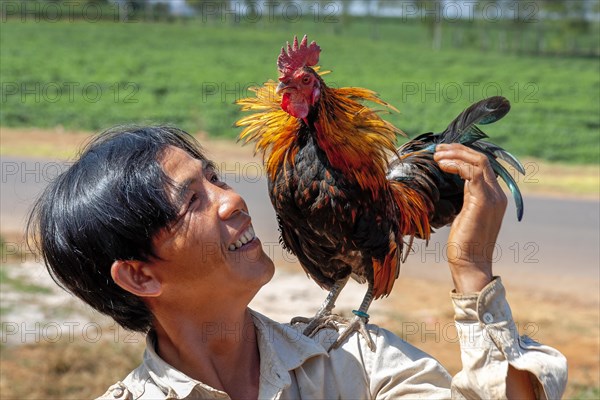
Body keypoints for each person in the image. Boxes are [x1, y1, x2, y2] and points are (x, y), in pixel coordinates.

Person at [28, 125, 567, 399]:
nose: (233, 199)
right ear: (140, 274)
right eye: (192, 199)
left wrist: (472, 269)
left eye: (216, 177)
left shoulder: (355, 362)